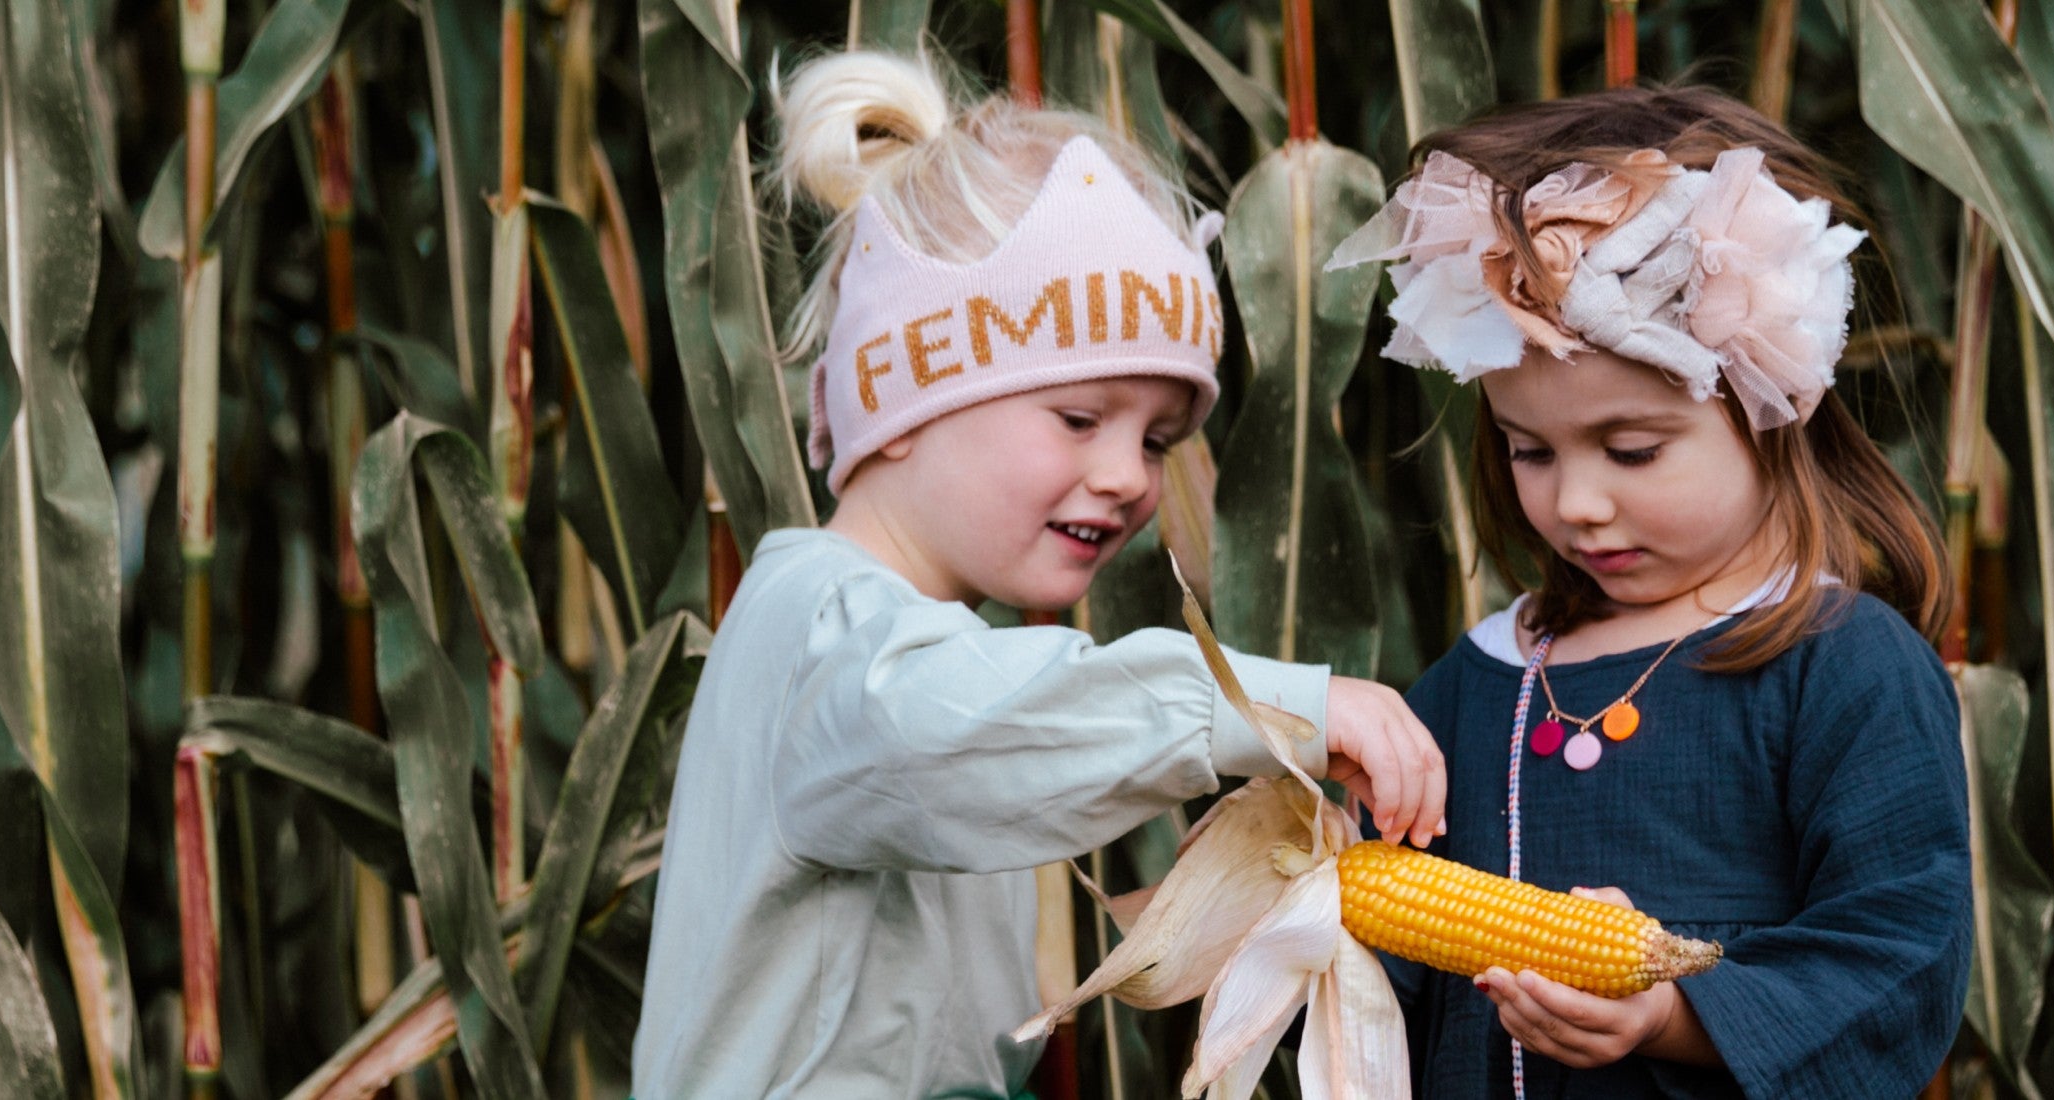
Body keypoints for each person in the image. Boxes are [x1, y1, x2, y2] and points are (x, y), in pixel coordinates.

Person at [629, 51, 1446, 1099]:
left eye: (1158, 438)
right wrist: (1277, 708)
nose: (1125, 477)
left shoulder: (919, 640)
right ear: (909, 398)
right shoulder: (822, 629)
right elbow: (960, 732)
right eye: (1077, 417)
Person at [1329, 84, 1970, 1098]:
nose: (1577, 501)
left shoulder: (1843, 665)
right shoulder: (1472, 682)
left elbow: (1900, 961)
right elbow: (1384, 986)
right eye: (1528, 448)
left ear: (1769, 408)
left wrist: (1674, 1016)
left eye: (1632, 449)